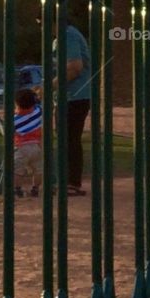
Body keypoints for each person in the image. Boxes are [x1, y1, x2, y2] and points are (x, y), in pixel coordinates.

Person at [53, 19, 91, 197]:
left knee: (68, 138)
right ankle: (68, 180)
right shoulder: (66, 35)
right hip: (72, 96)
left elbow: (75, 67)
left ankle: (70, 182)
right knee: (67, 138)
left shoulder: (67, 36)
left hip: (75, 96)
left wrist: (50, 86)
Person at [13, 87, 42, 198]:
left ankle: (17, 189)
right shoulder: (38, 111)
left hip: (21, 148)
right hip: (37, 146)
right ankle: (35, 189)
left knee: (18, 170)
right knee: (38, 169)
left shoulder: (15, 119)